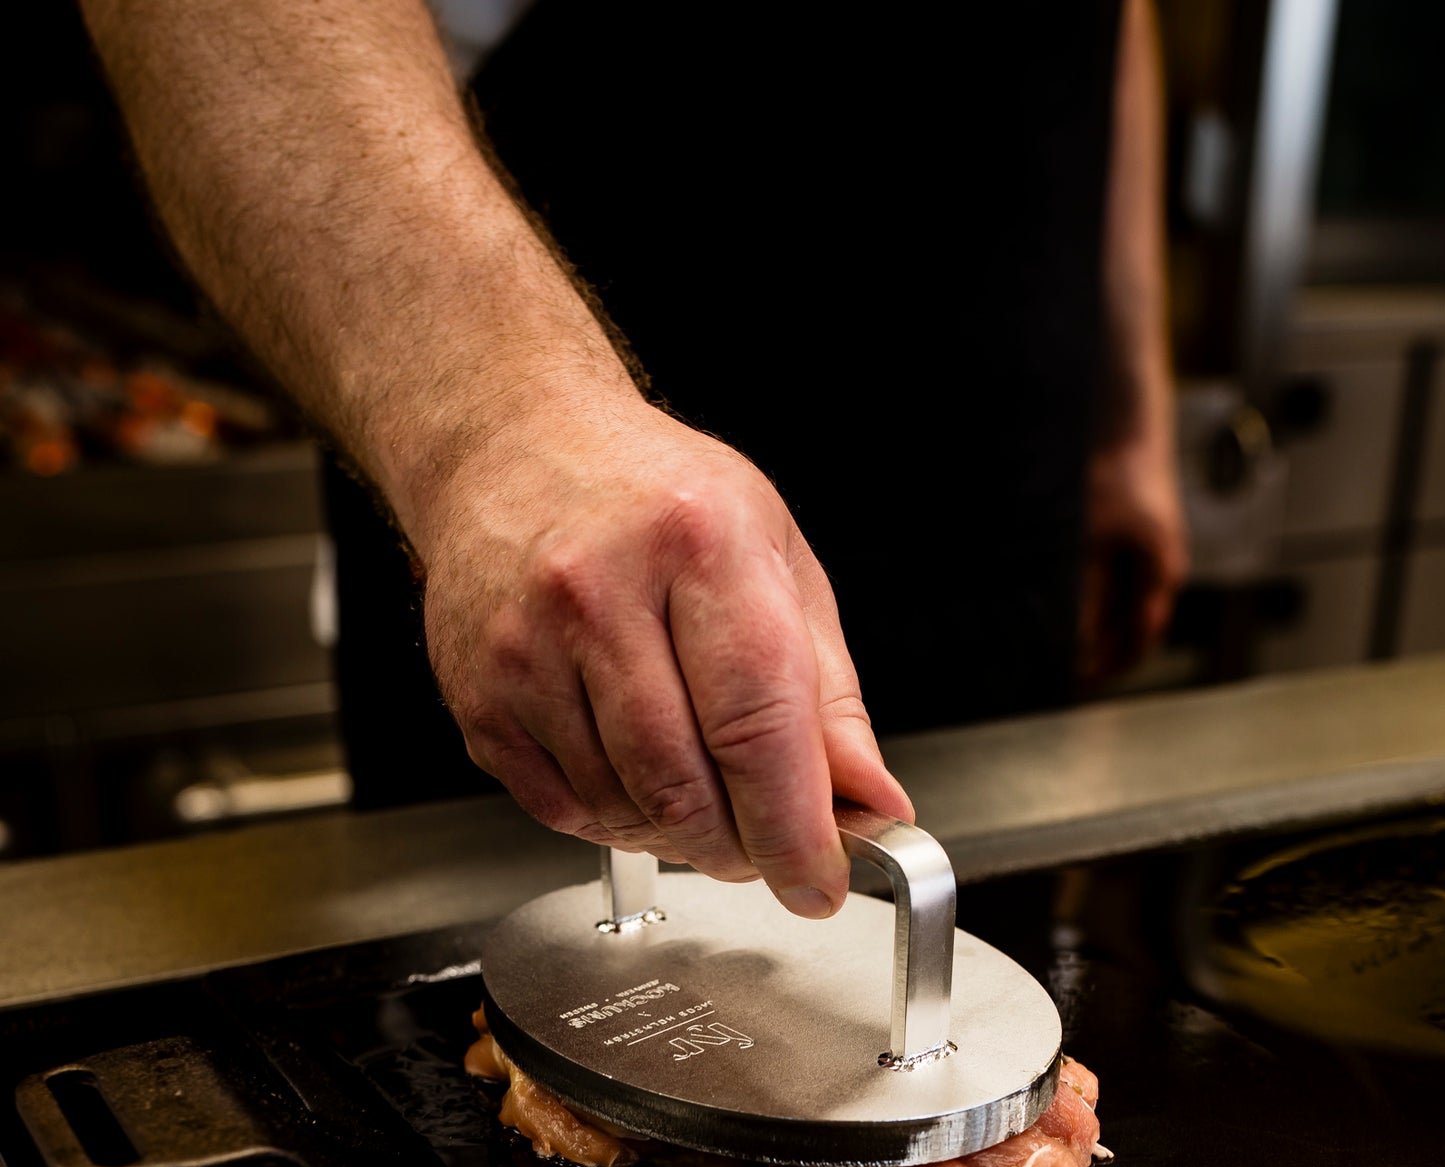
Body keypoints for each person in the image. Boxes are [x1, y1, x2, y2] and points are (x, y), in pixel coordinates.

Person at [82, 0, 1184, 919]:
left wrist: (1130, 409)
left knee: (981, 987)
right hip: (560, 436)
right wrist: (497, 432)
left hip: (990, 462)